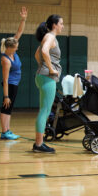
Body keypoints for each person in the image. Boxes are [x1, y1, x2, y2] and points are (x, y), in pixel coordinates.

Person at [33, 15, 64, 153]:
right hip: (47, 77)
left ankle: (39, 143)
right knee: (45, 111)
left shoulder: (48, 36)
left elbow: (37, 54)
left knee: (44, 110)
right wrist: (50, 69)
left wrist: (43, 66)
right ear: (54, 25)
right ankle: (39, 145)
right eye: (61, 23)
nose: (63, 26)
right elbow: (44, 51)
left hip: (42, 76)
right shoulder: (50, 37)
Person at [0, 7, 28, 140]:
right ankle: (4, 132)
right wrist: (6, 96)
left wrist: (23, 19)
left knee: (9, 108)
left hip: (14, 84)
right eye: (16, 47)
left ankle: (8, 131)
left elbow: (19, 33)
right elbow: (5, 80)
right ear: (10, 48)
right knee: (6, 106)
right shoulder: (6, 60)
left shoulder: (13, 52)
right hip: (9, 84)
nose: (18, 48)